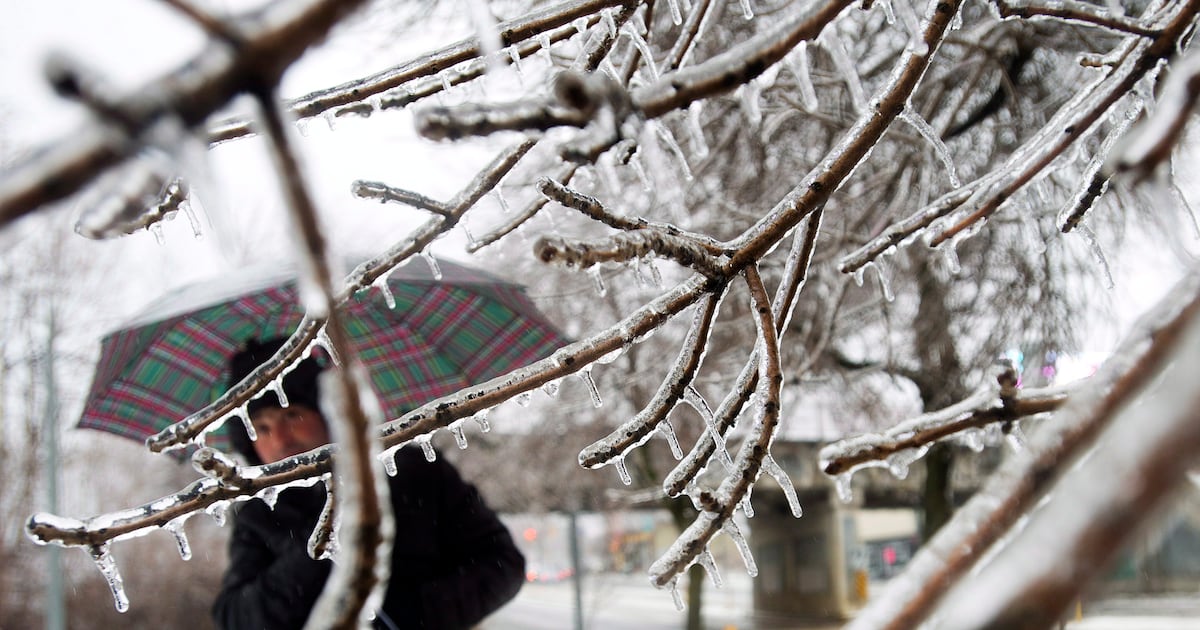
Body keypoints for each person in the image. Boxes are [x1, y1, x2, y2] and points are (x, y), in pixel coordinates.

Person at [212, 338, 525, 630]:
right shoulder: (259, 512)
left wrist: (415, 612)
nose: (278, 439)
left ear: (326, 412)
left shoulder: (412, 471)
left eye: (291, 415)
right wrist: (315, 549)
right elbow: (234, 616)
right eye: (262, 428)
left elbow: (501, 564)